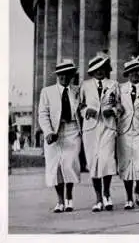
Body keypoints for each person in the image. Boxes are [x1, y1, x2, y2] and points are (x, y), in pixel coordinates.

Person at [38, 59, 82, 213]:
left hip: (72, 130)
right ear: (57, 75)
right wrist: (48, 132)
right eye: (61, 74)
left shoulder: (77, 90)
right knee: (55, 166)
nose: (64, 77)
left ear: (72, 75)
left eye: (67, 74)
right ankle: (60, 201)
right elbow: (43, 114)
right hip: (54, 132)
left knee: (70, 164)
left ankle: (69, 197)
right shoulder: (47, 92)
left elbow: (82, 108)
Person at [79, 52, 120, 212]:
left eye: (102, 68)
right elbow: (80, 105)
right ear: (92, 71)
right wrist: (86, 111)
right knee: (94, 163)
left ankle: (107, 194)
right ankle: (98, 198)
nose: (100, 72)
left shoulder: (114, 84)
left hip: (108, 127)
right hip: (91, 128)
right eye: (96, 69)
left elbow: (119, 105)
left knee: (107, 160)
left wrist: (114, 112)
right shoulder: (85, 85)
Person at [116, 57, 139, 210]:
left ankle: (138, 188)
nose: (134, 74)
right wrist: (117, 107)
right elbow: (114, 103)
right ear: (127, 74)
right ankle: (129, 197)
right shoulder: (120, 88)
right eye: (131, 72)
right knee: (125, 164)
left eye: (137, 71)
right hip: (124, 130)